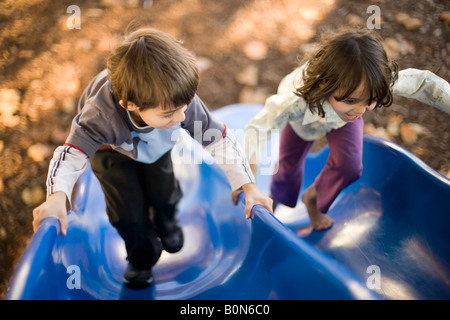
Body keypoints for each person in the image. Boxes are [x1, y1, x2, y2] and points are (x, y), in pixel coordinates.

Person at [32, 28, 273, 289]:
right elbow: (70, 155)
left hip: (157, 144)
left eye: (183, 108)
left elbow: (220, 141)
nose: (181, 118)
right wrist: (57, 197)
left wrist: (247, 185)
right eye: (170, 113)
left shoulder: (179, 103)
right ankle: (142, 256)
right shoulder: (101, 115)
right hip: (110, 152)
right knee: (127, 210)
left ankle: (167, 221)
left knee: (163, 189)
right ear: (130, 104)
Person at [243, 28, 449, 231]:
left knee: (349, 165)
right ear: (325, 84)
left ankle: (313, 198)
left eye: (371, 101)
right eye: (351, 100)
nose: (360, 111)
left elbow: (425, 84)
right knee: (287, 170)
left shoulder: (372, 83)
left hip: (340, 121)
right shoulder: (294, 101)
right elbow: (258, 128)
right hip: (302, 122)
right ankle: (272, 205)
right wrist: (249, 184)